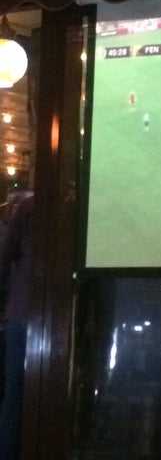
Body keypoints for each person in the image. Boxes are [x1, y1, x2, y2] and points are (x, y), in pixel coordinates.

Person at [0, 191, 34, 460]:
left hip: (20, 311)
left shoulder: (27, 207)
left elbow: (5, 258)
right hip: (51, 316)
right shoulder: (71, 206)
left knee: (13, 395)